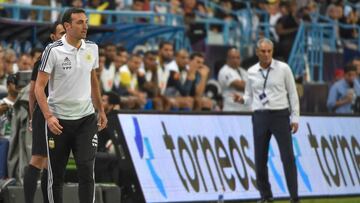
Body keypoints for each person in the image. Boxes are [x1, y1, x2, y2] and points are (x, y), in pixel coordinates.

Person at [34, 8, 107, 203]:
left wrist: (100, 110)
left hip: (86, 119)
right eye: (80, 22)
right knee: (56, 175)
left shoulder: (92, 48)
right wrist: (48, 116)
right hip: (59, 121)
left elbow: (93, 81)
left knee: (86, 169)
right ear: (67, 26)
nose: (85, 26)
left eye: (86, 22)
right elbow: (39, 88)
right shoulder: (53, 50)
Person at [234, 38, 300, 203]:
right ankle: (265, 196)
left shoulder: (283, 68)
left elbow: (292, 93)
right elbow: (249, 96)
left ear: (272, 51)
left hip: (280, 115)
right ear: (257, 52)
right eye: (263, 51)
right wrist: (241, 99)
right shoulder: (251, 71)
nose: (266, 54)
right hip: (260, 116)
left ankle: (294, 196)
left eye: (269, 51)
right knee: (260, 158)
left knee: (288, 157)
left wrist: (295, 117)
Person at [23, 21, 65, 203]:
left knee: (51, 162)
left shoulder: (69, 56)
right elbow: (33, 91)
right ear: (53, 37)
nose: (64, 36)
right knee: (38, 158)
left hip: (62, 113)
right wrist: (33, 116)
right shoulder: (44, 58)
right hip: (45, 112)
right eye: (61, 32)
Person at [218, 47, 250, 111]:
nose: (235, 60)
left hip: (245, 109)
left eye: (238, 58)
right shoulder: (224, 71)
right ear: (227, 59)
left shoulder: (243, 71)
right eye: (233, 58)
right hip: (231, 109)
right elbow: (240, 86)